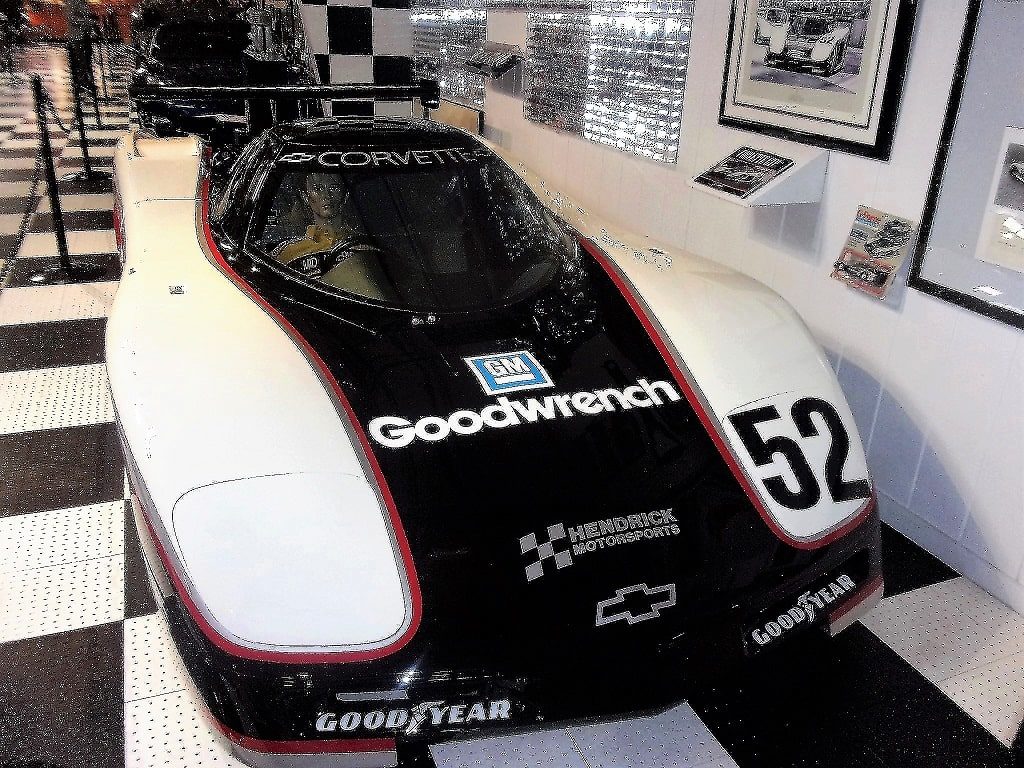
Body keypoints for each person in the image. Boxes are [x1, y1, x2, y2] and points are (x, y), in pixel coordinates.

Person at [274, 173, 360, 267]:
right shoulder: (290, 252)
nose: (326, 195)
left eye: (334, 188)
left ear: (345, 195)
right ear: (305, 197)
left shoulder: (363, 244)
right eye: (318, 189)